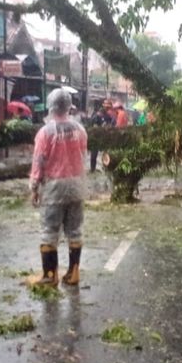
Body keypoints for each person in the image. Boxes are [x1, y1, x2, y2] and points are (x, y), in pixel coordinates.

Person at [29, 88, 89, 286]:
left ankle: (50, 275)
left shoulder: (45, 133)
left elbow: (39, 161)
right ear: (69, 107)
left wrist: (34, 187)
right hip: (77, 185)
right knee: (75, 230)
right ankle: (73, 273)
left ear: (51, 106)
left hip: (54, 188)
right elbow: (83, 155)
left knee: (49, 229)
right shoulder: (80, 130)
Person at [88, 99, 114, 172]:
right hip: (96, 136)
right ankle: (92, 169)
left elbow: (110, 125)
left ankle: (105, 167)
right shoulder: (97, 115)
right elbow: (93, 125)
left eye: (109, 107)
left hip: (105, 136)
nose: (108, 108)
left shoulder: (108, 116)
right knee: (94, 153)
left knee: (106, 152)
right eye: (107, 107)